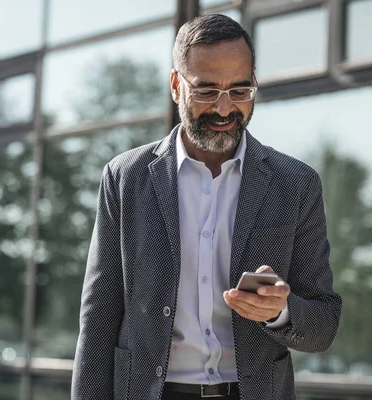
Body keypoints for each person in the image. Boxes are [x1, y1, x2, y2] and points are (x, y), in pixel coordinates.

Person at [71, 13, 342, 400]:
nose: (224, 107)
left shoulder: (296, 184)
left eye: (240, 90)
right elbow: (98, 321)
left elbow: (324, 323)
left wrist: (279, 312)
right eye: (206, 91)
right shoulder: (125, 178)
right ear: (176, 86)